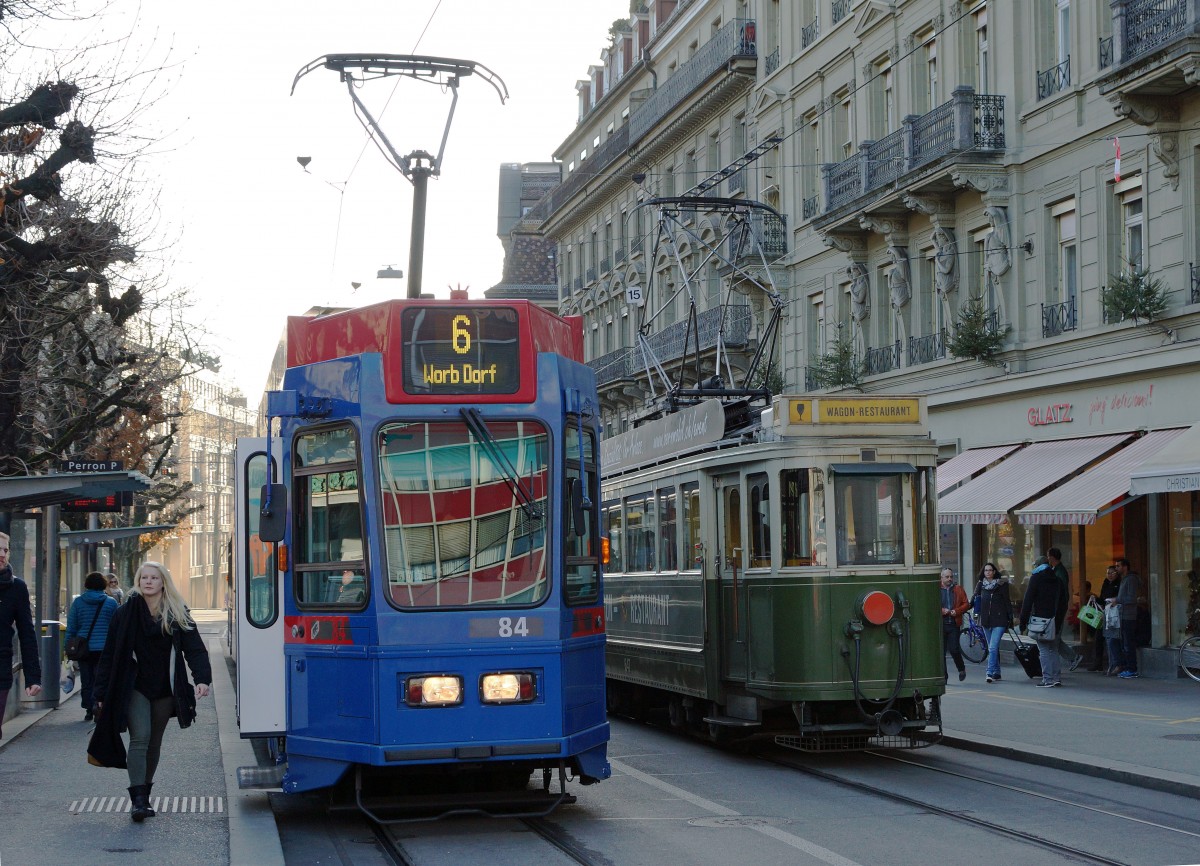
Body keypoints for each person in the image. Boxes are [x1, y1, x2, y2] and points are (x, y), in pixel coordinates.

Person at [91, 561, 212, 822]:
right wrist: (99, 693)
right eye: (143, 577)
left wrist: (202, 679)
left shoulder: (177, 612)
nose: (148, 581)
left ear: (162, 582)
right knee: (140, 738)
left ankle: (145, 790)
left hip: (166, 687)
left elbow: (195, 648)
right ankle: (138, 800)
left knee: (154, 742)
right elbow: (109, 655)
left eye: (153, 578)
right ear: (138, 581)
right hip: (134, 686)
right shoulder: (125, 613)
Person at [0, 530, 43, 739]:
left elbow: (27, 632)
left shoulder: (17, 587)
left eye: (5, 550)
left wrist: (33, 677)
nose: (2, 554)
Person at [65, 571, 117, 721]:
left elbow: (72, 627)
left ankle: (88, 708)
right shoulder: (111, 603)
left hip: (84, 649)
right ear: (103, 585)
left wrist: (67, 648)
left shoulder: (78, 602)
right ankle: (98, 705)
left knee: (86, 679)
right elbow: (115, 627)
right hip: (104, 648)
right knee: (101, 678)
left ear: (86, 585)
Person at [1020, 553, 1069, 687]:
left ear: (1037, 566)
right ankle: (1056, 678)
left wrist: (1022, 621)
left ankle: (1047, 679)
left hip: (1040, 621)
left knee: (1044, 650)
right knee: (1053, 649)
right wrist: (1058, 621)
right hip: (1055, 620)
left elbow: (1028, 601)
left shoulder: (1036, 579)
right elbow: (1063, 602)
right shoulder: (1057, 580)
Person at [972, 562, 1011, 683]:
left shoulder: (1001, 584)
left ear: (994, 572)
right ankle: (997, 672)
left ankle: (989, 672)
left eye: (990, 570)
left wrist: (1010, 618)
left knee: (993, 647)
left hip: (999, 620)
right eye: (986, 570)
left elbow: (1007, 601)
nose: (988, 572)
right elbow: (974, 598)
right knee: (992, 648)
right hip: (986, 620)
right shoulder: (980, 585)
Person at [1047, 548, 1082, 672]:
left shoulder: (1059, 571)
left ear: (1052, 557)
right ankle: (1073, 657)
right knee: (1055, 638)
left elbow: (1060, 591)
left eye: (1048, 556)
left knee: (1054, 638)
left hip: (1058, 609)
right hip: (1057, 608)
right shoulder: (1057, 570)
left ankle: (1056, 667)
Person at [940, 567, 969, 682]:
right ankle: (944, 676)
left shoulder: (958, 589)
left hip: (954, 623)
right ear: (941, 577)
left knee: (954, 649)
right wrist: (942, 610)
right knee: (941, 652)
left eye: (951, 576)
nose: (949, 579)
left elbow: (966, 604)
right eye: (947, 577)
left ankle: (961, 669)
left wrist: (956, 611)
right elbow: (931, 604)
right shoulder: (936, 589)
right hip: (941, 624)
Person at [1113, 557, 1141, 679]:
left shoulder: (1131, 579)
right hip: (1123, 614)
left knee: (1129, 644)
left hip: (1129, 615)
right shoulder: (1124, 579)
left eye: (1118, 566)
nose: (1116, 568)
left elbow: (1132, 598)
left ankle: (1132, 669)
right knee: (1125, 643)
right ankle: (1129, 667)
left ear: (1125, 567)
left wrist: (1117, 600)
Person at [1090, 565, 1121, 671]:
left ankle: (1115, 664)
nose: (1110, 575)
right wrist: (1096, 599)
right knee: (1099, 637)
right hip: (1104, 613)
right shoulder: (1106, 582)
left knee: (1112, 639)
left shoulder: (1119, 583)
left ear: (1117, 574)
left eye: (1112, 573)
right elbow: (1103, 598)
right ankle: (1097, 663)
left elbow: (1119, 599)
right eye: (1108, 573)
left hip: (1114, 614)